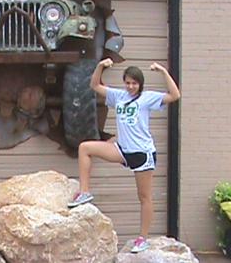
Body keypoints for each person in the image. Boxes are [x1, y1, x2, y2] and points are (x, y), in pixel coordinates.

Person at [67, 58, 180, 253]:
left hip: (142, 153)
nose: (130, 86)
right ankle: (85, 191)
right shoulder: (118, 96)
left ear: (140, 84)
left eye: (134, 83)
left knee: (144, 197)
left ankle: (142, 238)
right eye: (127, 82)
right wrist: (100, 66)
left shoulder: (147, 98)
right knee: (85, 148)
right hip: (122, 150)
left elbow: (175, 95)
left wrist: (162, 71)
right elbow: (94, 85)